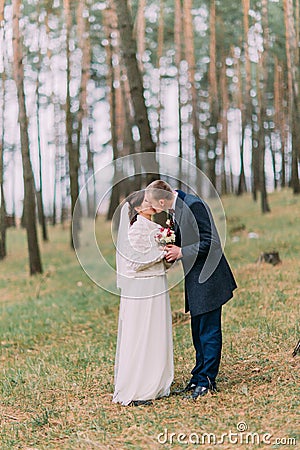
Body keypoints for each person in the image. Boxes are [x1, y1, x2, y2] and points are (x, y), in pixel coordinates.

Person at [146, 180, 237, 400]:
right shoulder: (176, 209)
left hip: (209, 277)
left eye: (151, 202)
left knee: (209, 330)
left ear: (161, 200)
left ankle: (207, 382)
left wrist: (181, 252)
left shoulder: (194, 205)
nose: (150, 207)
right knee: (198, 330)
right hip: (196, 279)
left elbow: (213, 242)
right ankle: (197, 377)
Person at [113, 190, 174, 406]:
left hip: (158, 282)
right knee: (141, 331)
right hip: (142, 287)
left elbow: (164, 262)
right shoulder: (135, 229)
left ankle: (156, 382)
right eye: (146, 201)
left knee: (157, 330)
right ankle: (138, 388)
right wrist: (159, 253)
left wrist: (168, 256)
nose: (151, 204)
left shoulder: (159, 229)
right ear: (138, 208)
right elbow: (134, 263)